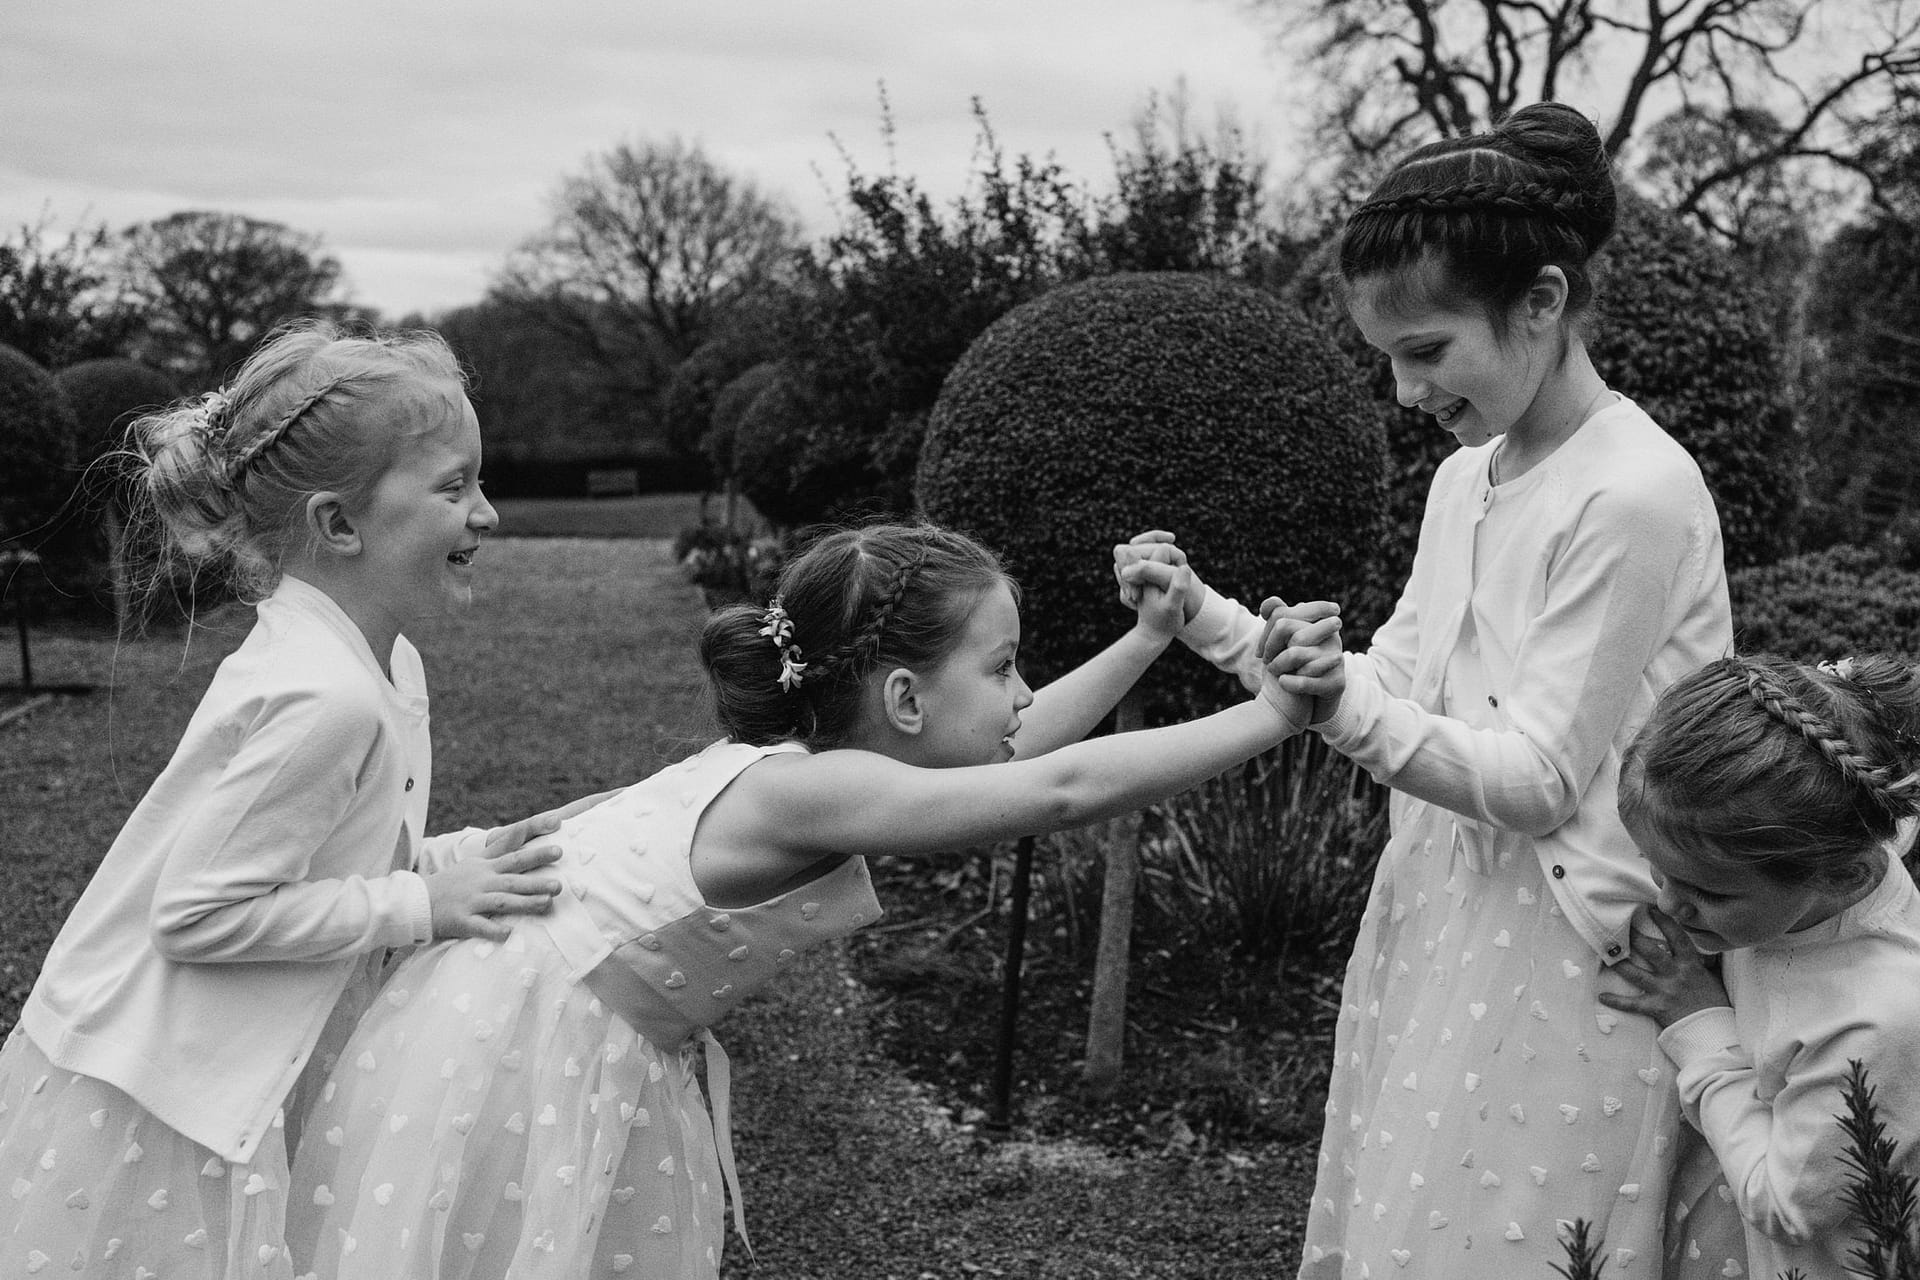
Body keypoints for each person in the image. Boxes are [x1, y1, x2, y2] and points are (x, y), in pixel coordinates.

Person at [283, 521, 1343, 1280]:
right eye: (1007, 664)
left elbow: (1021, 748)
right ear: (904, 699)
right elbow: (1054, 787)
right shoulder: (808, 789)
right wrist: (1273, 714)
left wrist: (1151, 638)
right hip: (527, 1046)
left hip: (541, 1019)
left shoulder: (797, 763)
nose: (1023, 692)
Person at [1114, 101, 1733, 1277]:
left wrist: (1342, 699)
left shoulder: (1635, 490)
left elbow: (1540, 775)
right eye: (1389, 359)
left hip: (1579, 947)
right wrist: (1210, 616)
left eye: (1427, 351)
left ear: (1542, 302)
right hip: (1446, 904)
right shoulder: (1467, 480)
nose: (1405, 393)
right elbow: (1397, 676)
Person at [0, 321, 575, 1280]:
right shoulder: (326, 696)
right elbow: (200, 913)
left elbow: (327, 860)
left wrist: (444, 864)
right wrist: (417, 905)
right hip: (167, 1093)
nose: (488, 513)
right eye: (453, 486)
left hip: (243, 1056)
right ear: (338, 524)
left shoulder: (376, 662)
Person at [1599, 653, 1920, 1280]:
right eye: (1658, 870)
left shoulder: (1877, 1024)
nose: (1667, 904)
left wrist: (1702, 1028)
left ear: (1842, 873)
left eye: (1709, 893)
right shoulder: (1829, 844)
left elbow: (1785, 1205)